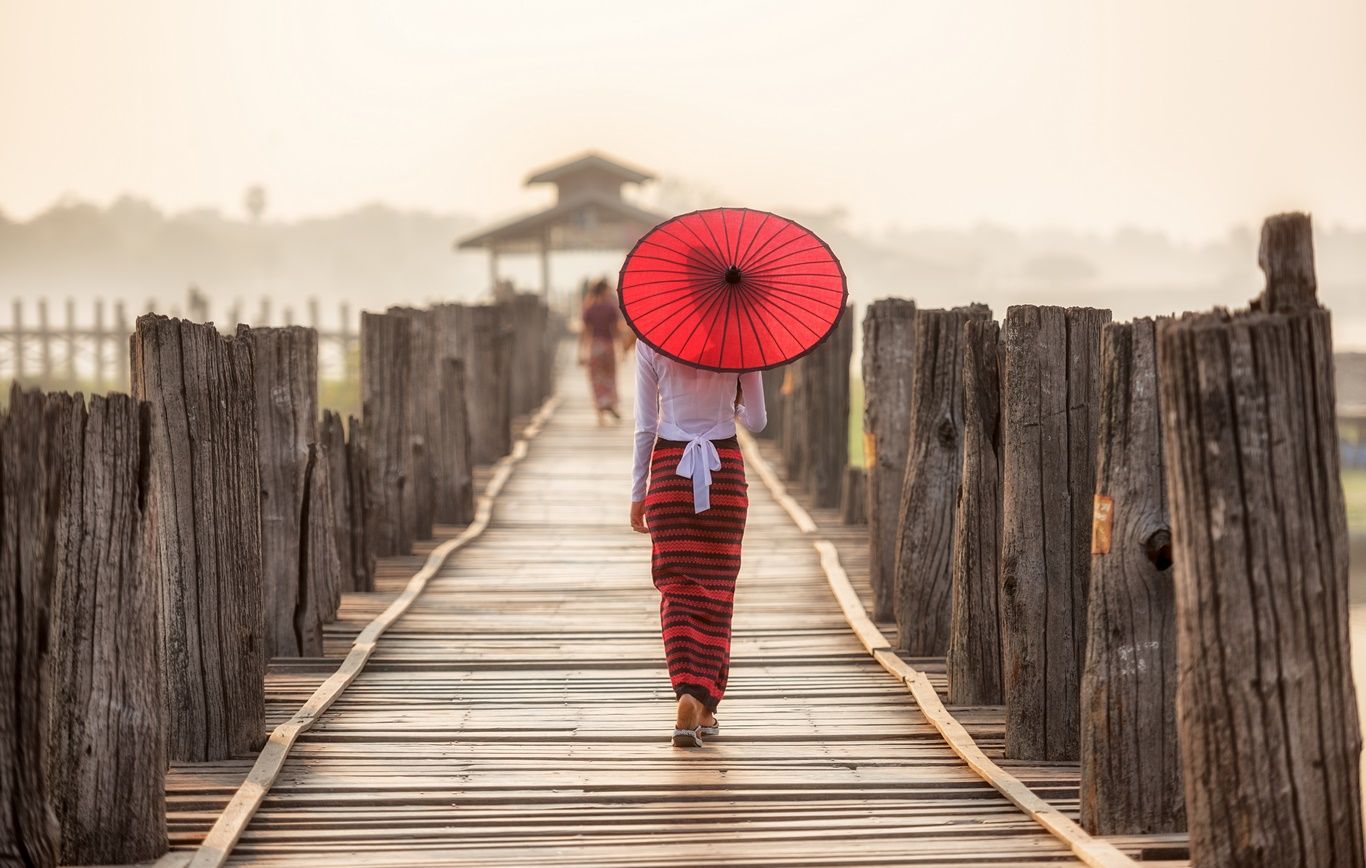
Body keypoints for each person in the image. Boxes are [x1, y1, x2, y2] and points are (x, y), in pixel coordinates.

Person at [629, 340, 767, 747]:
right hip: (724, 472)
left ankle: (691, 696)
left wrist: (639, 492)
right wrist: (735, 406)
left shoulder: (651, 337)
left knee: (677, 590)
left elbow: (645, 424)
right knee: (718, 591)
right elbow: (757, 421)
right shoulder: (744, 337)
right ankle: (703, 699)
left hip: (670, 472)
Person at [579, 278, 623, 424]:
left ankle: (600, 414)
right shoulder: (610, 307)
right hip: (608, 346)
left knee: (596, 379)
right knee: (610, 377)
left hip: (595, 346)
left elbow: (585, 332)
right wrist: (621, 348)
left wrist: (580, 352)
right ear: (604, 290)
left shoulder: (589, 308)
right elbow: (616, 330)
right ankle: (609, 403)